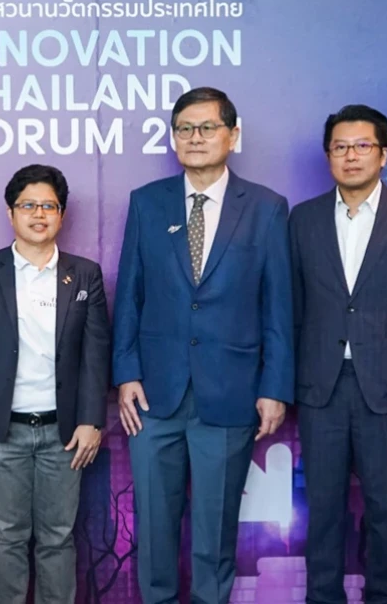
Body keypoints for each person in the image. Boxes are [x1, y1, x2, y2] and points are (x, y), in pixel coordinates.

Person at [112, 86, 294, 604]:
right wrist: (126, 373)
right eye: (184, 129)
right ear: (173, 138)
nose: (195, 137)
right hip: (154, 395)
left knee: (215, 531)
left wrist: (274, 387)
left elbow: (278, 305)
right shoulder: (147, 202)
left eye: (207, 127)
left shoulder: (266, 207)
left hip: (230, 391)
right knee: (154, 528)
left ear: (232, 135)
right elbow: (129, 294)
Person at [290, 105, 387, 603]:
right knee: (323, 509)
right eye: (340, 147)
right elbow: (291, 308)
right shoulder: (304, 219)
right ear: (328, 156)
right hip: (320, 388)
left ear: (383, 154)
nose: (351, 155)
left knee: (386, 508)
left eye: (362, 146)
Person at [0, 164, 111, 604]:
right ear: (11, 212)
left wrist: (92, 420)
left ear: (61, 214)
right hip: (2, 432)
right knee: (6, 537)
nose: (39, 214)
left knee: (58, 538)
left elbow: (96, 354)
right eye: (28, 205)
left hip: (65, 433)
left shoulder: (84, 273)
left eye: (48, 206)